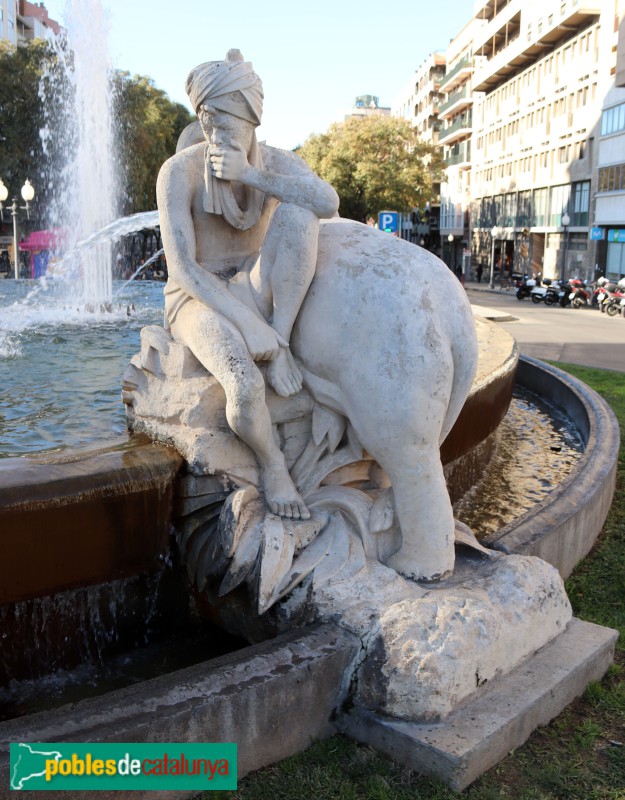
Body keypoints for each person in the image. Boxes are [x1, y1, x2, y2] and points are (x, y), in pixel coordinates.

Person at [157, 50, 339, 520]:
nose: (215, 130)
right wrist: (251, 331)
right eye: (207, 117)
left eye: (227, 118)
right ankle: (273, 466)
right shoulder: (178, 172)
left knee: (299, 215)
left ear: (253, 116)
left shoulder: (277, 163)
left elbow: (327, 201)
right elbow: (183, 270)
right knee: (242, 384)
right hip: (197, 297)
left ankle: (282, 337)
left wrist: (252, 176)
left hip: (257, 287)